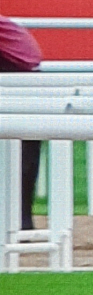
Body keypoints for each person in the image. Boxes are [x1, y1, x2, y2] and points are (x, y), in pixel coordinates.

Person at [0, 15, 44, 231]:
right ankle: (21, 221)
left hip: (18, 73)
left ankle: (21, 221)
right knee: (23, 159)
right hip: (22, 74)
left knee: (23, 159)